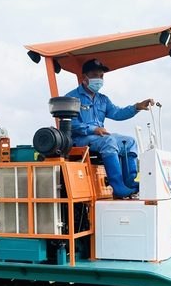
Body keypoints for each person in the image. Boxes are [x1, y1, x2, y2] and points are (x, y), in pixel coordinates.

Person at [65, 59, 154, 198]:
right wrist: (93, 130)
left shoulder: (103, 99)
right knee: (109, 141)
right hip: (79, 139)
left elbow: (117, 113)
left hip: (99, 137)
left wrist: (137, 107)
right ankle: (118, 186)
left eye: (101, 76)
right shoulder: (71, 98)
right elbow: (69, 124)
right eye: (95, 75)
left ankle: (129, 182)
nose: (99, 79)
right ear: (84, 77)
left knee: (130, 142)